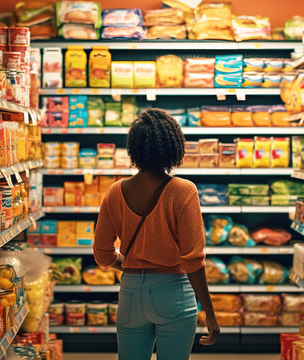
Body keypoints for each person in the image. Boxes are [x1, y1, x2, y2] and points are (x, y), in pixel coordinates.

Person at [93, 108, 219, 360]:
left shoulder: (115, 192)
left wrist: (130, 265)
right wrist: (210, 314)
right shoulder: (184, 191)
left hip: (130, 294)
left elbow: (102, 254)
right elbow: (193, 261)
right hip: (173, 293)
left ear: (134, 149)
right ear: (174, 147)